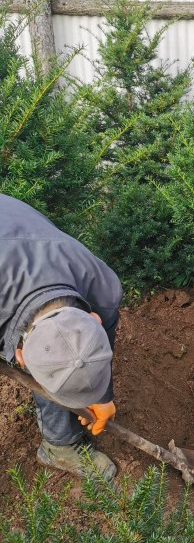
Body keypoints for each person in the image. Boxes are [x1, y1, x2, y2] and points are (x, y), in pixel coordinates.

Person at [0, 194, 123, 481]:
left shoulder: (102, 287)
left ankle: (58, 443)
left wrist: (101, 396)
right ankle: (60, 443)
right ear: (20, 358)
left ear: (95, 318)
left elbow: (91, 352)